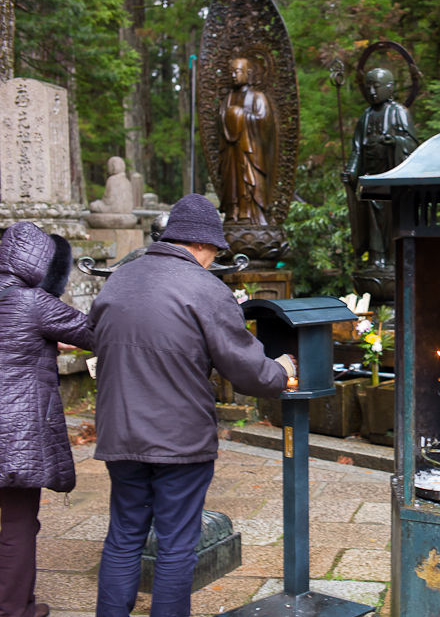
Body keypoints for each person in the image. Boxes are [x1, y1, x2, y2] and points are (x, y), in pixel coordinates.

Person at [88, 194, 291, 616]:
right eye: (214, 252)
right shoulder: (204, 288)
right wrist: (282, 369)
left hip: (120, 433)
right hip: (178, 440)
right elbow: (248, 369)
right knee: (176, 544)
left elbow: (97, 337)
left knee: (124, 536)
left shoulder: (120, 280)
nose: (212, 260)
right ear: (201, 245)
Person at [0, 221, 93, 617]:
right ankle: (14, 608)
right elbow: (95, 331)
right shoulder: (34, 302)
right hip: (16, 433)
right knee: (19, 523)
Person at [342, 67, 418, 268]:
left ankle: (394, 258)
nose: (372, 92)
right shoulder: (365, 116)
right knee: (372, 220)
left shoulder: (399, 112)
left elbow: (411, 144)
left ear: (389, 88)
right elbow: (357, 148)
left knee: (393, 217)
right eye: (369, 87)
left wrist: (394, 141)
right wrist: (351, 170)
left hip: (393, 177)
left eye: (376, 87)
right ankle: (377, 258)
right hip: (370, 177)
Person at [219, 56, 277, 225]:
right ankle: (233, 212)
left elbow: (265, 122)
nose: (233, 76)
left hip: (250, 151)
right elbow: (221, 124)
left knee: (249, 181)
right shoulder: (227, 98)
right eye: (231, 72)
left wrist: (239, 115)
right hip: (231, 152)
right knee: (231, 184)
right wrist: (229, 118)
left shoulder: (258, 97)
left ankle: (250, 213)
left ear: (248, 73)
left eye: (237, 71)